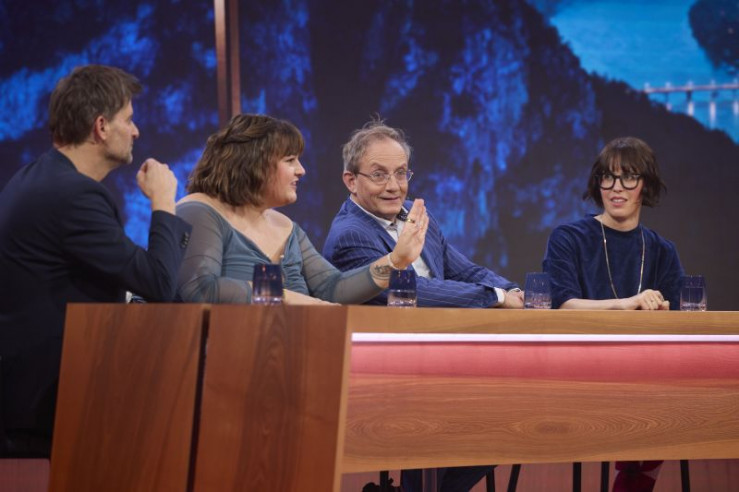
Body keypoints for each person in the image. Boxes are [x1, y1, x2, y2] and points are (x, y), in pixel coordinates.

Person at [0, 65, 192, 457]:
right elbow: (158, 283)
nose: (136, 131)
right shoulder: (74, 196)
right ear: (101, 126)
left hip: (35, 395)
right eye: (129, 119)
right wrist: (163, 201)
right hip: (48, 405)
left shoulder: (36, 178)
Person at [322, 119, 522, 491]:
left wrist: (511, 290)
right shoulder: (351, 234)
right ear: (351, 180)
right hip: (394, 375)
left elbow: (463, 268)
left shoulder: (413, 215)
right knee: (482, 417)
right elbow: (413, 292)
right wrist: (495, 298)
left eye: (401, 173)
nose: (394, 186)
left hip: (447, 360)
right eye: (379, 175)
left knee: (514, 415)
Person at [543, 136, 684, 492]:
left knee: (680, 396)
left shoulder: (662, 250)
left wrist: (662, 312)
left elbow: (681, 320)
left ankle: (635, 476)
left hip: (645, 376)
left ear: (645, 185)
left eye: (628, 177)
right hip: (578, 372)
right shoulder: (569, 238)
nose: (616, 187)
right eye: (608, 177)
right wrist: (627, 303)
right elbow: (562, 305)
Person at [175, 113, 428, 306]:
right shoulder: (199, 211)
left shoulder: (287, 227)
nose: (301, 170)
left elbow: (333, 288)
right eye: (290, 160)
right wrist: (291, 298)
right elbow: (199, 288)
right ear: (252, 164)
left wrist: (396, 260)